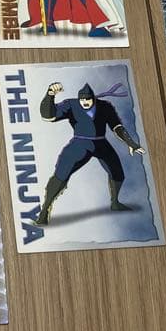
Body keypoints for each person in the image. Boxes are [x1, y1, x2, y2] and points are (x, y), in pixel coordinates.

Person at [33, 81, 146, 226]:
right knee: (60, 176)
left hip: (100, 143)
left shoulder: (105, 106)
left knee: (118, 173)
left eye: (88, 99)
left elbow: (117, 127)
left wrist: (131, 143)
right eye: (82, 100)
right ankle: (44, 211)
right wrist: (50, 95)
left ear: (93, 99)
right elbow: (48, 116)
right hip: (80, 144)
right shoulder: (71, 105)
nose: (85, 102)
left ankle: (115, 203)